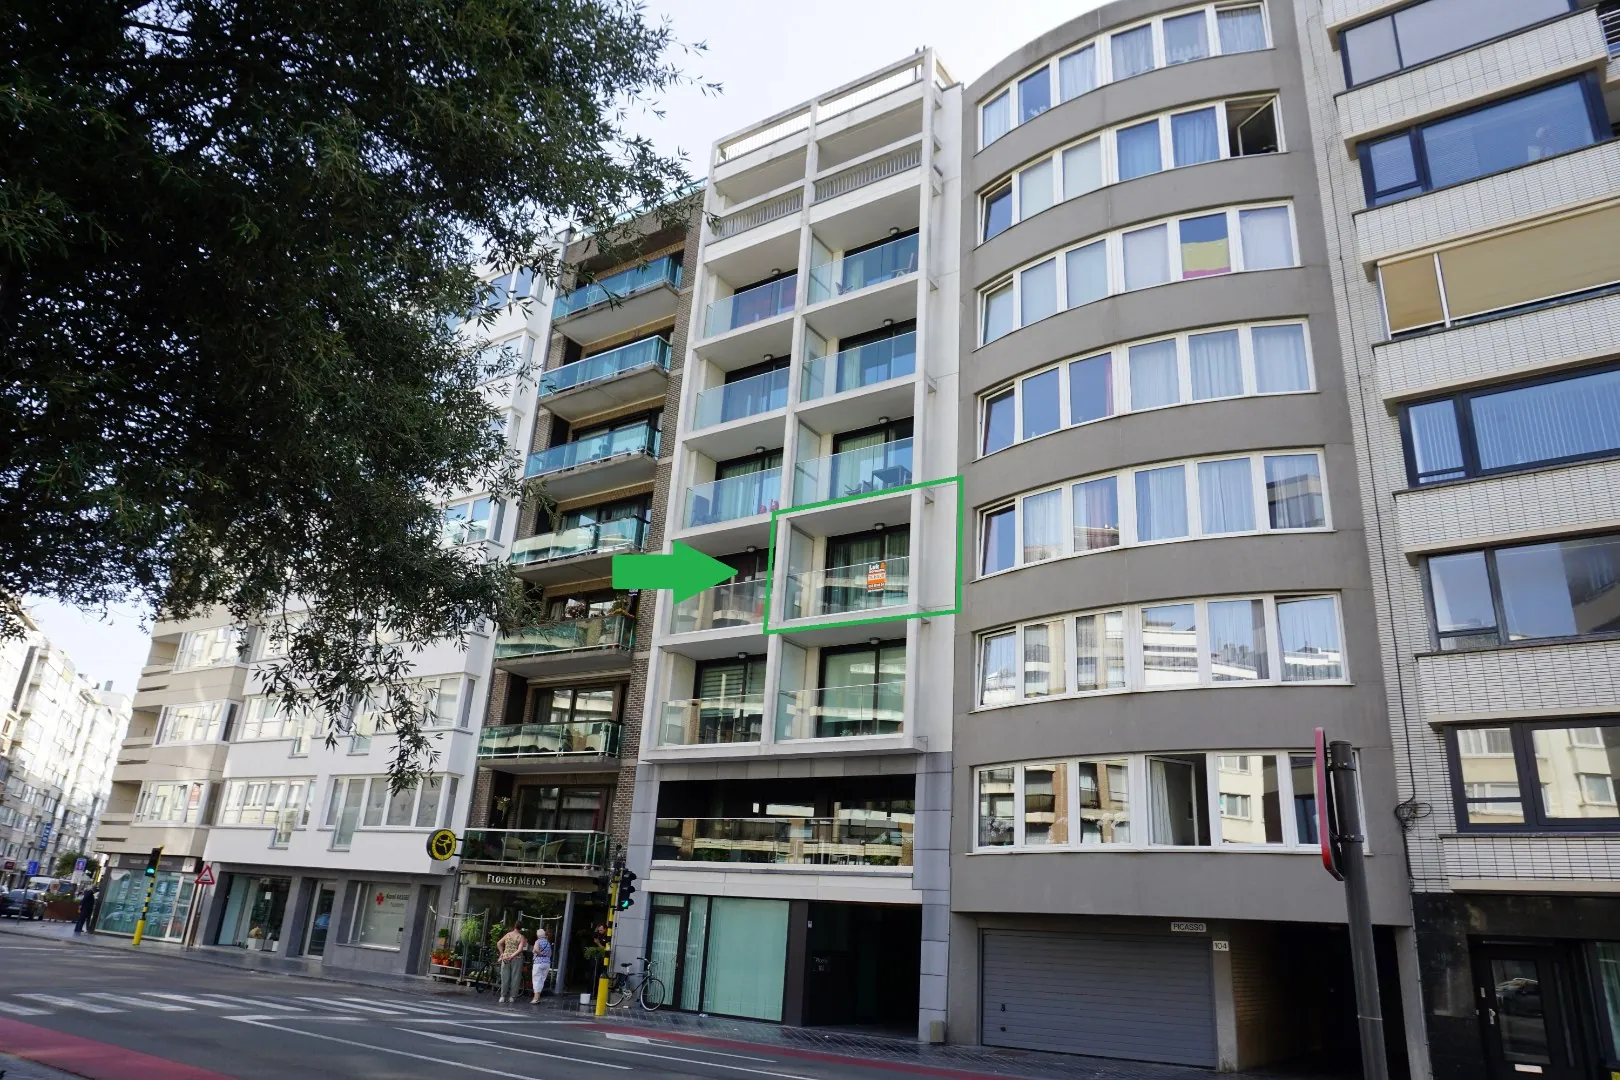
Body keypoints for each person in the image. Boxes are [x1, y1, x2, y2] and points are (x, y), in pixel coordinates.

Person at [495, 924, 526, 1003]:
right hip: (517, 959)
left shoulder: (508, 935)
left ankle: (502, 996)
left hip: (505, 958)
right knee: (515, 978)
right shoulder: (521, 937)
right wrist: (512, 956)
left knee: (504, 977)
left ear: (514, 927)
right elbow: (520, 949)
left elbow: (499, 943)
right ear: (520, 928)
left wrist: (502, 953)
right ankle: (512, 997)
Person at [529, 928, 552, 1003]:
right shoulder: (548, 942)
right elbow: (550, 953)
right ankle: (538, 997)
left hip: (538, 963)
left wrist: (540, 953)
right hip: (547, 963)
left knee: (536, 980)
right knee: (542, 980)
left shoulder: (538, 941)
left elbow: (535, 949)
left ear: (538, 935)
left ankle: (535, 998)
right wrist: (546, 956)